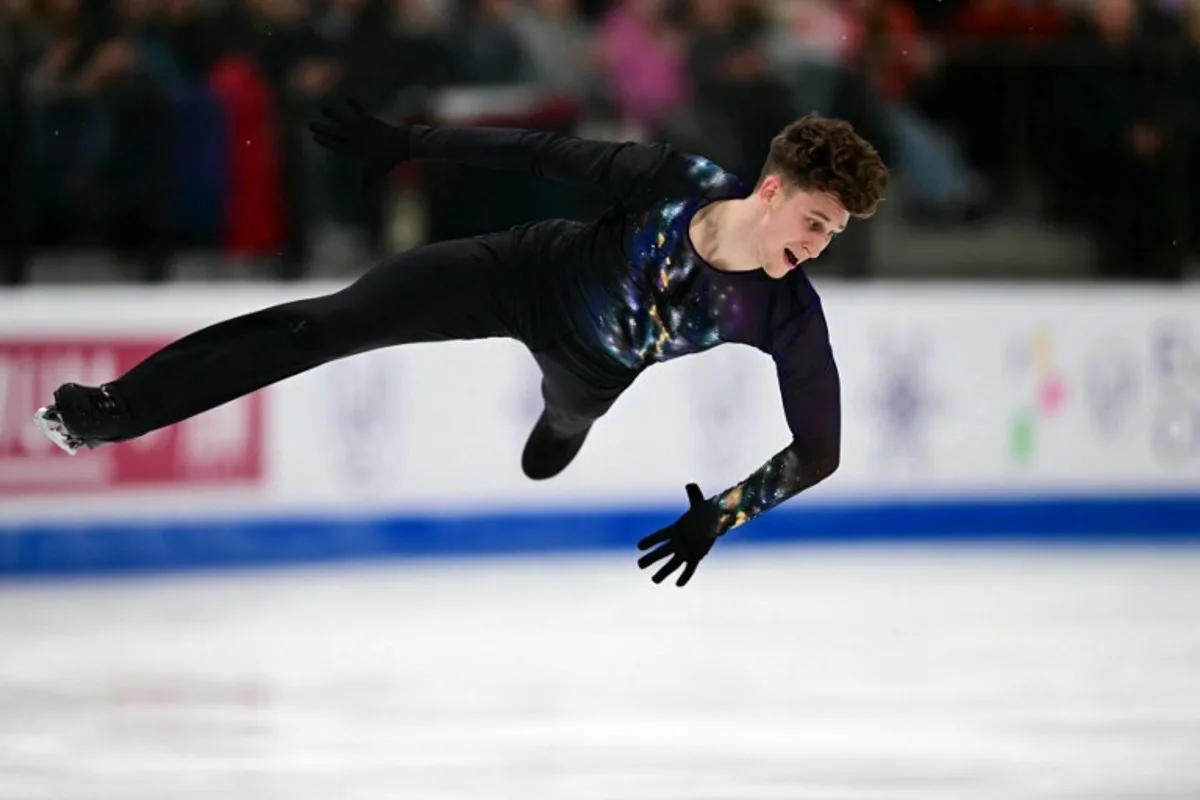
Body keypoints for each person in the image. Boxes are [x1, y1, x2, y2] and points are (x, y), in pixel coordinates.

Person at [35, 99, 888, 587]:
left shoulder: (785, 315)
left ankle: (564, 426)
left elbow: (821, 450)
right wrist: (408, 143)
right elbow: (544, 154)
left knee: (557, 435)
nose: (816, 246)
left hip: (596, 364)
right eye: (814, 222)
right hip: (517, 272)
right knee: (327, 323)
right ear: (771, 191)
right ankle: (115, 412)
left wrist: (722, 515)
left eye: (832, 235)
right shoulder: (677, 180)